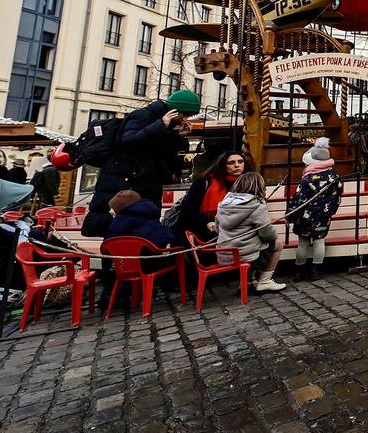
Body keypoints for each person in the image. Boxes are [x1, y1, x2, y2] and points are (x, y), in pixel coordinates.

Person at [82, 89, 199, 237]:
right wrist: (160, 125)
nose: (185, 119)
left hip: (145, 186)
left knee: (142, 233)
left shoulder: (167, 125)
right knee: (119, 233)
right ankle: (114, 260)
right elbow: (128, 142)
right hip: (125, 185)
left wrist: (179, 136)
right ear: (175, 111)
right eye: (185, 115)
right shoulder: (143, 116)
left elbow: (167, 158)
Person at [215, 172, 286, 292]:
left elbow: (217, 228)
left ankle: (248, 282)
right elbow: (267, 233)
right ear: (259, 187)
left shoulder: (224, 203)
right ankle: (265, 281)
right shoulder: (257, 206)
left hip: (224, 255)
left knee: (251, 244)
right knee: (277, 244)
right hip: (245, 257)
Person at [289, 137, 343, 282]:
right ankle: (316, 271)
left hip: (305, 216)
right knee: (319, 241)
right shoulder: (335, 177)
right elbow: (338, 196)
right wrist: (331, 210)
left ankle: (299, 271)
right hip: (324, 215)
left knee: (303, 243)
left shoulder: (307, 179)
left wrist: (290, 215)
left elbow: (298, 199)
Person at [174, 151, 248, 243]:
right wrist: (207, 222)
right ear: (223, 165)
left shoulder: (247, 185)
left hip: (233, 232)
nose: (237, 165)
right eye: (231, 163)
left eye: (240, 162)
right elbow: (188, 212)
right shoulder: (203, 183)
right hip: (202, 232)